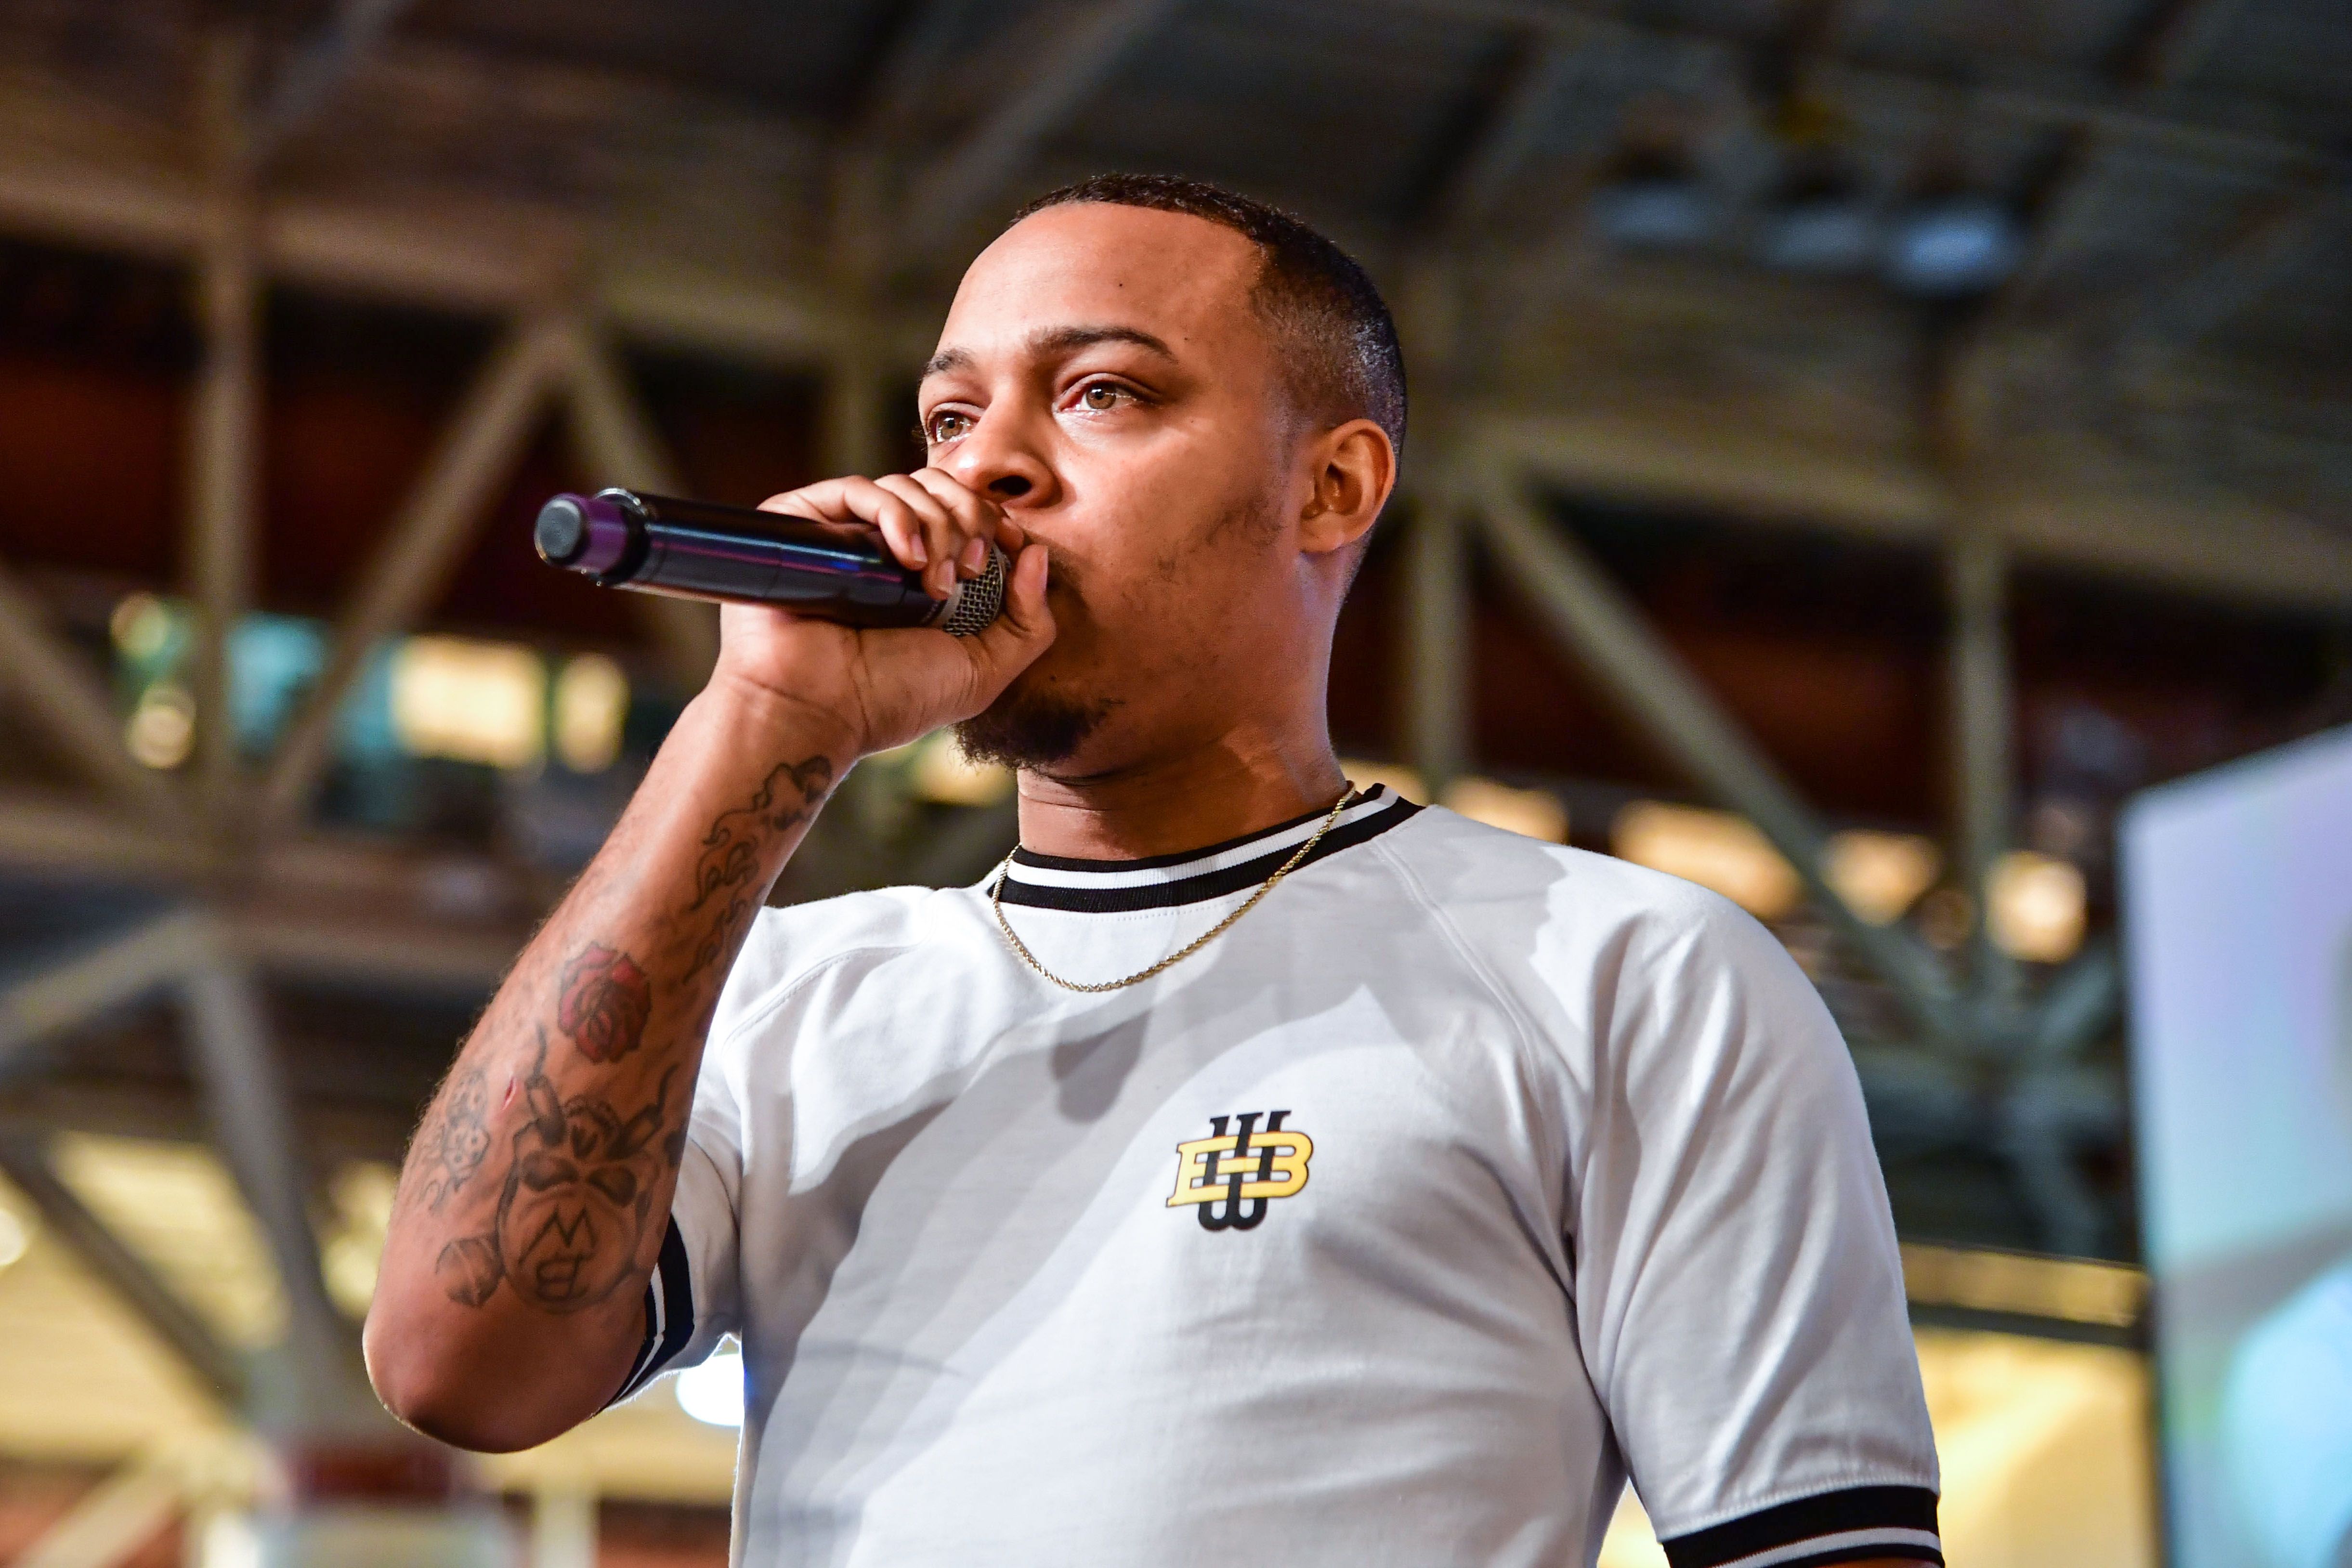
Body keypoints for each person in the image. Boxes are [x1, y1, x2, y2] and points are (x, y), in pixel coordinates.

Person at [366, 174, 1941, 1568]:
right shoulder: (799, 993)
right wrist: (760, 722)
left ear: (1332, 487)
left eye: (1103, 393)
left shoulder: (1618, 975)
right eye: (949, 418)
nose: (988, 474)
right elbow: (458, 1366)